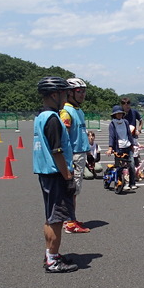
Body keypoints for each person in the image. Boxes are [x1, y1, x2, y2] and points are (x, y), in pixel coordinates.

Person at [33, 77, 78, 273]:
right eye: (63, 93)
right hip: (55, 174)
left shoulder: (41, 116)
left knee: (52, 216)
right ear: (54, 94)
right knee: (56, 218)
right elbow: (57, 151)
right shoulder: (52, 119)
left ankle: (51, 254)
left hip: (46, 173)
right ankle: (52, 260)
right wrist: (68, 176)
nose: (66, 97)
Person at [60, 77, 91, 234]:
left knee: (75, 190)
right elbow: (63, 139)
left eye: (84, 91)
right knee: (72, 189)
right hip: (74, 156)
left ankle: (71, 217)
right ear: (69, 93)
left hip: (81, 153)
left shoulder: (78, 110)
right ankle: (70, 222)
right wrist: (67, 163)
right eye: (79, 91)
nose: (83, 94)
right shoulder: (66, 112)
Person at [107, 104, 138, 190]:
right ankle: (120, 183)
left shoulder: (125, 122)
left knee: (131, 165)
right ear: (114, 114)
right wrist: (110, 148)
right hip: (118, 147)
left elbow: (129, 134)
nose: (119, 115)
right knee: (119, 167)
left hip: (127, 146)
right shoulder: (112, 124)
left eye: (121, 113)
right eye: (118, 113)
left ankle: (132, 183)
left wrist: (132, 144)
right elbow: (111, 136)